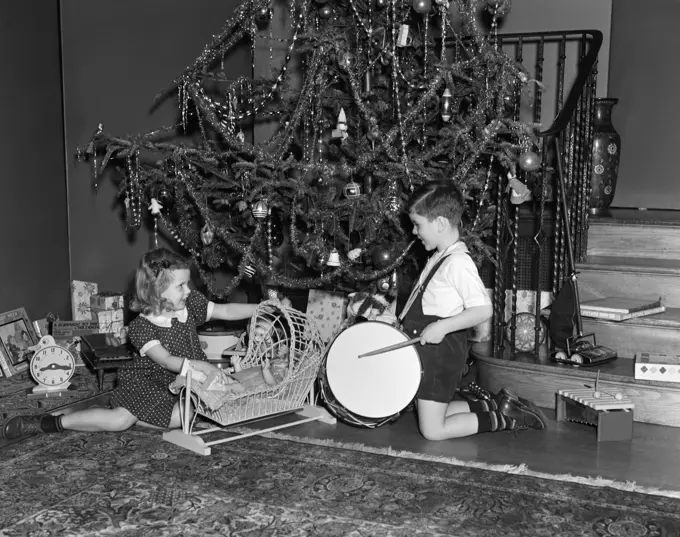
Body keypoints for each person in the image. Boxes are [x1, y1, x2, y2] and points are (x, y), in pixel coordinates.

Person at [1, 247, 267, 442]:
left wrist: (264, 308)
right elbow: (166, 361)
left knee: (199, 409)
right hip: (149, 381)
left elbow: (226, 311)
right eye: (181, 286)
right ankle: (52, 422)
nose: (188, 290)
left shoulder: (191, 304)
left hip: (184, 379)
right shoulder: (142, 326)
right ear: (156, 292)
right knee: (120, 421)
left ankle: (146, 417)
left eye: (188, 284)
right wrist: (201, 368)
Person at [376, 179, 547, 441]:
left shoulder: (457, 263)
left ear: (440, 223)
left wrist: (442, 326)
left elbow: (482, 310)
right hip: (428, 351)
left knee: (433, 431)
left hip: (440, 353)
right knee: (429, 410)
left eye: (418, 225)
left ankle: (508, 418)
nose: (414, 231)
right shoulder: (439, 256)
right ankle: (493, 403)